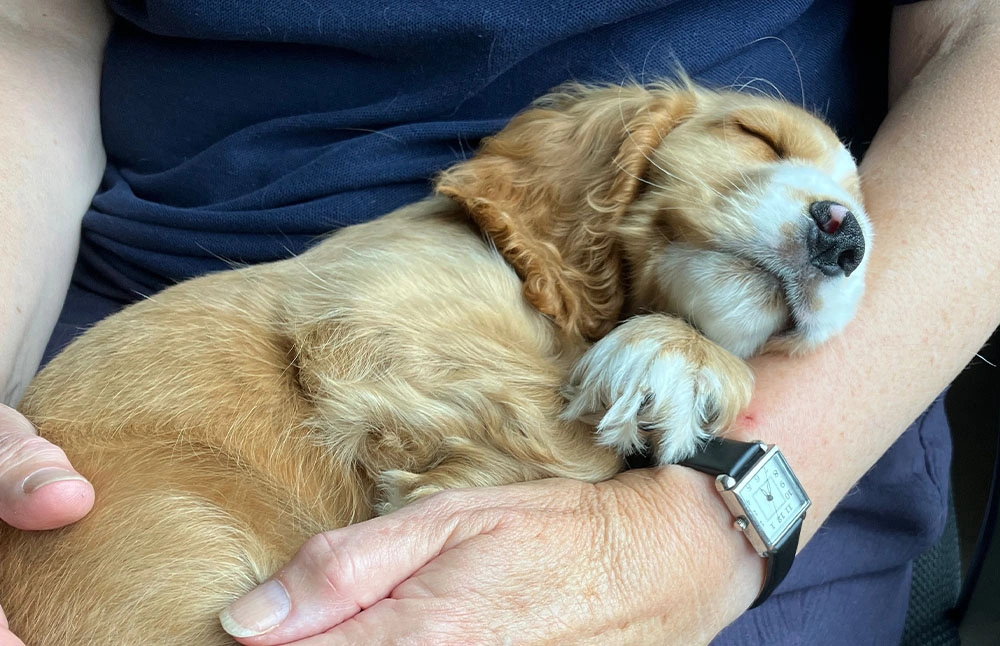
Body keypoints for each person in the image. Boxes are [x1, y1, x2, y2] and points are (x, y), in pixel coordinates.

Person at [1, 0, 997, 644]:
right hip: (136, 424)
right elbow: (31, 25)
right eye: (757, 138)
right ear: (618, 153)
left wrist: (717, 503)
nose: (836, 229)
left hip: (808, 434)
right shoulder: (467, 268)